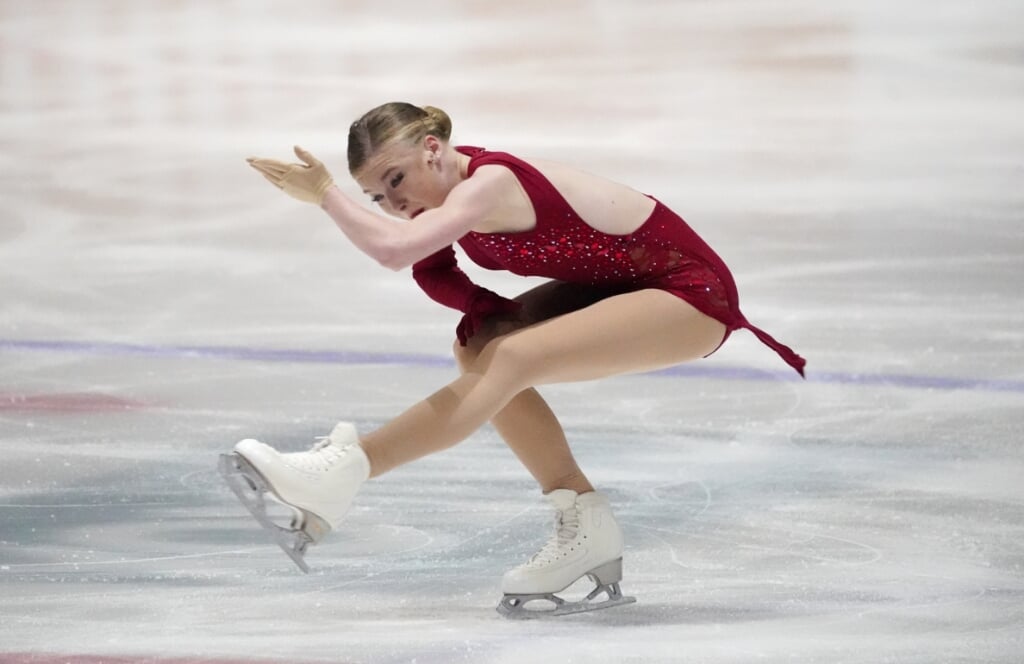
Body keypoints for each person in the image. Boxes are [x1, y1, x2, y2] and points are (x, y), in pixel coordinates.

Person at [225, 102, 805, 617]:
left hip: (688, 294)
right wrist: (485, 306)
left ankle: (346, 472)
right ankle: (583, 521)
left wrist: (326, 195)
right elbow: (432, 266)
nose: (394, 203)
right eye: (379, 197)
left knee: (515, 356)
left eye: (395, 180)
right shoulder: (438, 203)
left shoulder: (489, 183)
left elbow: (395, 252)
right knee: (478, 344)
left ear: (433, 150)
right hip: (618, 286)